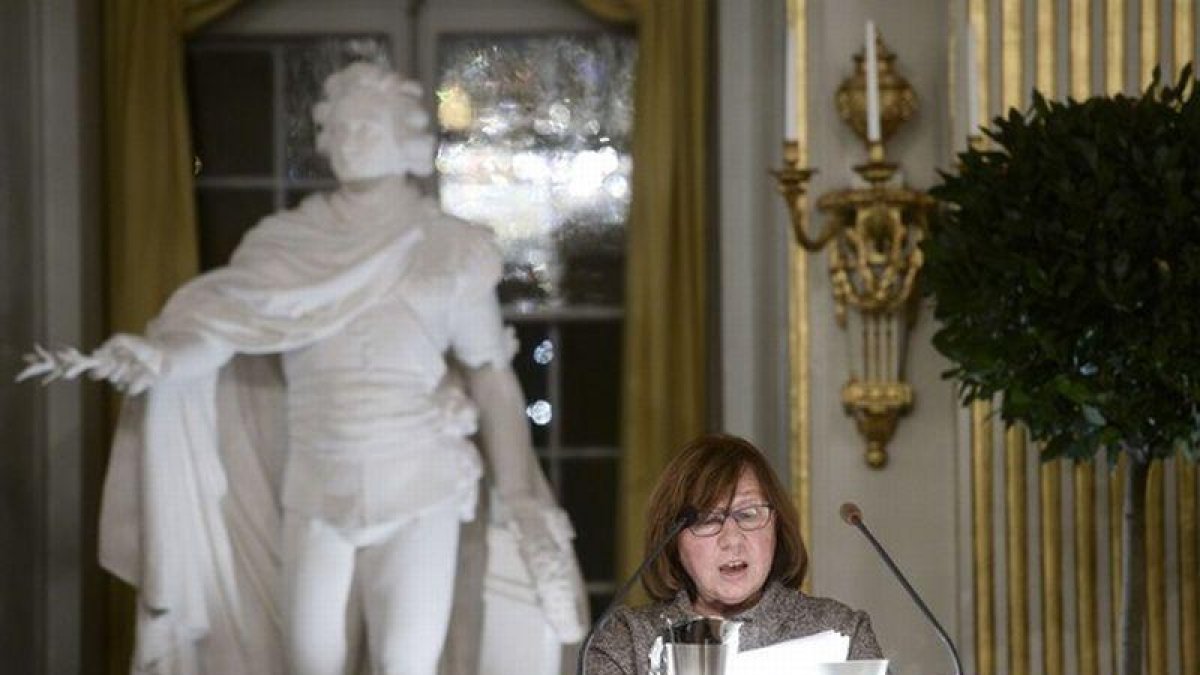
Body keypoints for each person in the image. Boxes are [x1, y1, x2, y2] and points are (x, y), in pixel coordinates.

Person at [32, 61, 585, 674]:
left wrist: (522, 497)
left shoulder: (450, 248)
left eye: (368, 127)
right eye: (341, 128)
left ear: (407, 139)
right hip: (316, 482)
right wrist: (162, 358)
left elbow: (490, 374)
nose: (351, 141)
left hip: (417, 480)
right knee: (305, 660)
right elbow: (219, 330)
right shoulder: (282, 244)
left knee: (407, 663)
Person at [585, 433, 882, 674]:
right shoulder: (627, 640)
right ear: (673, 539)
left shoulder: (842, 630)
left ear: (777, 526)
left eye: (749, 514)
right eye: (707, 519)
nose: (732, 539)